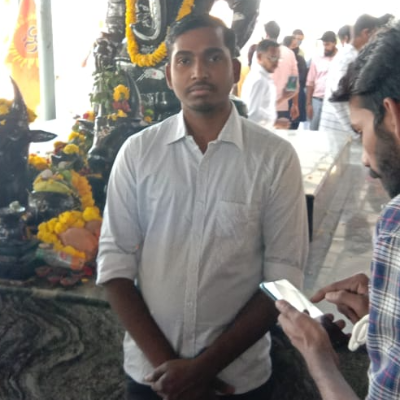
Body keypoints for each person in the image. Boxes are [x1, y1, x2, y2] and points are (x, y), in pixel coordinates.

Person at [96, 13, 309, 400]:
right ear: (169, 74)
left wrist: (202, 370)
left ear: (235, 70)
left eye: (213, 57)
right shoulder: (138, 154)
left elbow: (283, 277)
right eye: (184, 60)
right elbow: (115, 264)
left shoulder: (274, 159)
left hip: (237, 381)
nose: (198, 72)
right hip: (152, 378)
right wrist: (174, 373)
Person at [277, 20, 400, 400]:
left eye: (361, 132)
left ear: (391, 116)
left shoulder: (396, 224)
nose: (364, 159)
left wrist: (319, 360)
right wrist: (383, 318)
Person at [319, 13, 393, 135]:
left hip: (343, 132)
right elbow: (337, 99)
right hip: (341, 134)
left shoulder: (351, 55)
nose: (379, 40)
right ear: (366, 33)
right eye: (378, 35)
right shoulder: (348, 59)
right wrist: (356, 132)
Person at [241, 39, 289, 129]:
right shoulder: (258, 80)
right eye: (273, 58)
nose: (276, 63)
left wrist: (283, 97)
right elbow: (252, 115)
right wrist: (275, 122)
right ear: (259, 57)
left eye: (278, 59)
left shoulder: (264, 78)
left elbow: (265, 106)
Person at [264, 21, 299, 123]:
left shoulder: (260, 52)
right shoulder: (289, 53)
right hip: (283, 106)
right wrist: (294, 104)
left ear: (266, 35)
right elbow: (293, 81)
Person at [306, 31, 338, 130]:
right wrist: (308, 104)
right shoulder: (317, 58)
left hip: (334, 102)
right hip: (317, 101)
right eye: (324, 44)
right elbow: (310, 82)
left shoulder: (341, 58)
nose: (325, 47)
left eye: (327, 44)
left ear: (334, 43)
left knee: (331, 133)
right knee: (313, 131)